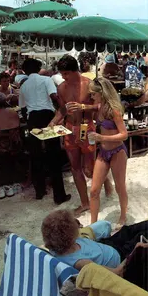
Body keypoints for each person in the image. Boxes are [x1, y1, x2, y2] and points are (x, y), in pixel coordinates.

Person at [49, 55, 112, 216]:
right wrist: (53, 122)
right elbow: (62, 110)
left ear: (75, 70)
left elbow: (101, 105)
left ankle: (105, 179)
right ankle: (85, 203)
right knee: (75, 167)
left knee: (89, 170)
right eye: (62, 74)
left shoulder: (89, 84)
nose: (63, 77)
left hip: (87, 128)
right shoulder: (61, 88)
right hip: (69, 130)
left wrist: (83, 106)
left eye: (66, 73)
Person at [42, 207, 148, 273]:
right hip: (120, 256)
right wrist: (133, 254)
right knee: (139, 238)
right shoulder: (81, 263)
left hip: (106, 245)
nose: (79, 225)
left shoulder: (57, 246)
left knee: (127, 230)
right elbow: (114, 273)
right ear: (70, 234)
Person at [19, 58, 70, 204]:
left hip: (33, 119)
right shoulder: (46, 80)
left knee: (36, 155)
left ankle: (39, 191)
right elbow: (54, 96)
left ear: (25, 71)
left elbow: (23, 107)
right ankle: (59, 195)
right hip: (47, 117)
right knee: (53, 154)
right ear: (38, 68)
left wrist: (28, 119)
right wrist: (62, 108)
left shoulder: (23, 86)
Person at [88, 78, 128, 226]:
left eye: (93, 94)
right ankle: (93, 224)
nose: (91, 96)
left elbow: (124, 134)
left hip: (117, 151)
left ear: (102, 93)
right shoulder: (99, 107)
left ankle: (123, 216)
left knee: (120, 186)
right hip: (103, 152)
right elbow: (89, 107)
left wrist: (101, 137)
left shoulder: (114, 110)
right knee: (94, 190)